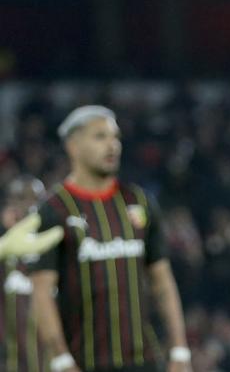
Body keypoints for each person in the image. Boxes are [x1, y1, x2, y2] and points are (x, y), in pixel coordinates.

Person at [28, 106, 193, 372]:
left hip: (144, 361)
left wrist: (180, 350)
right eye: (100, 137)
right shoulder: (53, 210)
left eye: (115, 137)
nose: (112, 145)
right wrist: (61, 359)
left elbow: (162, 281)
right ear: (73, 145)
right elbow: (41, 293)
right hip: (85, 362)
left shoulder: (139, 202)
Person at [2, 176, 58, 372]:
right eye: (20, 199)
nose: (28, 206)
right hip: (11, 360)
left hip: (54, 359)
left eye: (35, 199)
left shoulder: (54, 242)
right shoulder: (4, 247)